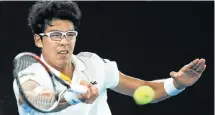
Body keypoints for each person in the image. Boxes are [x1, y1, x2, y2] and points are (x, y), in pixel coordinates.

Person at [13, 1, 206, 115]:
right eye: (55, 35)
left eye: (70, 34)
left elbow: (144, 90)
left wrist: (178, 84)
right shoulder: (28, 76)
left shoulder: (94, 64)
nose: (64, 42)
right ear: (38, 40)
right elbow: (31, 98)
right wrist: (72, 97)